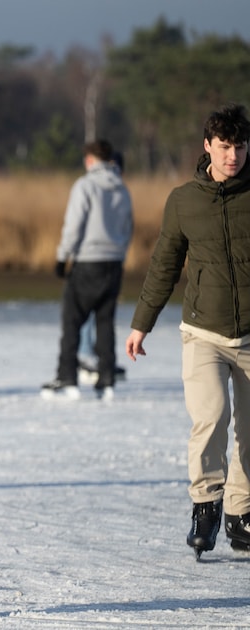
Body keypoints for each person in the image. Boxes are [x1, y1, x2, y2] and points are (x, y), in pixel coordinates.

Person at [125, 103, 250, 560]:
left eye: (239, 146)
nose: (232, 155)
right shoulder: (183, 200)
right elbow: (164, 264)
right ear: (207, 147)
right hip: (204, 333)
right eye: (224, 146)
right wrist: (142, 323)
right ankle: (205, 505)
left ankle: (241, 513)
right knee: (212, 416)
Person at [41, 139, 133, 401]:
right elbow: (128, 227)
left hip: (87, 263)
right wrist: (119, 254)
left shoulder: (85, 185)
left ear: (91, 160)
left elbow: (74, 224)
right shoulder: (122, 188)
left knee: (72, 321)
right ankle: (106, 379)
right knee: (105, 323)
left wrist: (62, 257)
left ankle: (67, 377)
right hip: (113, 264)